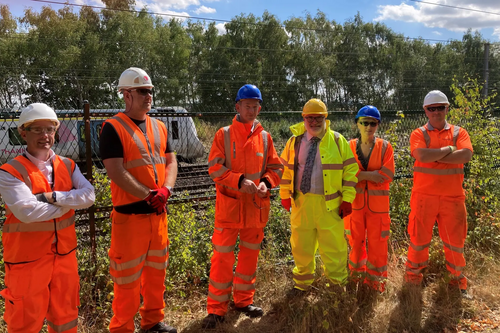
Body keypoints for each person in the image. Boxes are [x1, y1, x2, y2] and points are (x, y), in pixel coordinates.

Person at [0, 103, 95, 333]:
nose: (45, 135)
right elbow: (28, 212)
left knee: (65, 318)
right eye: (37, 130)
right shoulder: (10, 171)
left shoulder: (67, 165)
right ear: (23, 132)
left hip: (65, 258)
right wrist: (69, 204)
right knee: (24, 323)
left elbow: (89, 195)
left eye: (50, 129)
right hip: (27, 262)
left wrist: (52, 197)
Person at [99, 67, 178, 333]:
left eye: (150, 91)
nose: (149, 96)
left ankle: (152, 322)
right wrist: (148, 195)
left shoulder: (159, 127)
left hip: (158, 216)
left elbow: (171, 161)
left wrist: (166, 190)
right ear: (126, 94)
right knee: (127, 281)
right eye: (143, 91)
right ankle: (122, 328)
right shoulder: (112, 127)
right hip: (129, 220)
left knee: (156, 275)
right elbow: (115, 170)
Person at [202, 84, 283, 329]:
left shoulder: (265, 137)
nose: (251, 109)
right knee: (222, 260)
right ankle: (216, 310)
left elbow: (276, 168)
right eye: (247, 105)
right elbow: (215, 168)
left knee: (249, 258)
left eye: (255, 105)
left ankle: (243, 302)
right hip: (230, 211)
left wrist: (266, 183)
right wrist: (238, 180)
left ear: (259, 107)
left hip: (255, 210)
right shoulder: (224, 134)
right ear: (237, 106)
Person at [279, 98, 359, 293]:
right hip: (302, 203)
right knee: (301, 247)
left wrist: (347, 199)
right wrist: (284, 194)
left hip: (329, 205)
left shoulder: (338, 141)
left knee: (334, 248)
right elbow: (286, 171)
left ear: (325, 118)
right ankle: (302, 284)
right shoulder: (294, 142)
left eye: (318, 118)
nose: (314, 122)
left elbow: (351, 172)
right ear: (304, 118)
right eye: (310, 118)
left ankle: (337, 286)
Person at [405, 90, 473, 295]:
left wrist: (434, 156)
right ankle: (412, 281)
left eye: (440, 107)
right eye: (432, 108)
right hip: (423, 197)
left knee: (455, 243)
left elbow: (467, 154)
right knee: (418, 240)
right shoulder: (419, 134)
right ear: (426, 110)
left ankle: (457, 282)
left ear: (447, 108)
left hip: (453, 198)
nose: (436, 112)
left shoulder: (459, 132)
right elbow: (421, 155)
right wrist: (450, 150)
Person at [343, 105, 395, 293]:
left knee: (378, 245)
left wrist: (359, 175)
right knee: (355, 242)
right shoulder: (348, 146)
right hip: (355, 206)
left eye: (372, 123)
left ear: (378, 125)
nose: (368, 126)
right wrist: (370, 176)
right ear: (357, 123)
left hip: (379, 209)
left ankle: (376, 284)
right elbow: (344, 173)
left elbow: (387, 174)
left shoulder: (385, 147)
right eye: (364, 122)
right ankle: (355, 278)